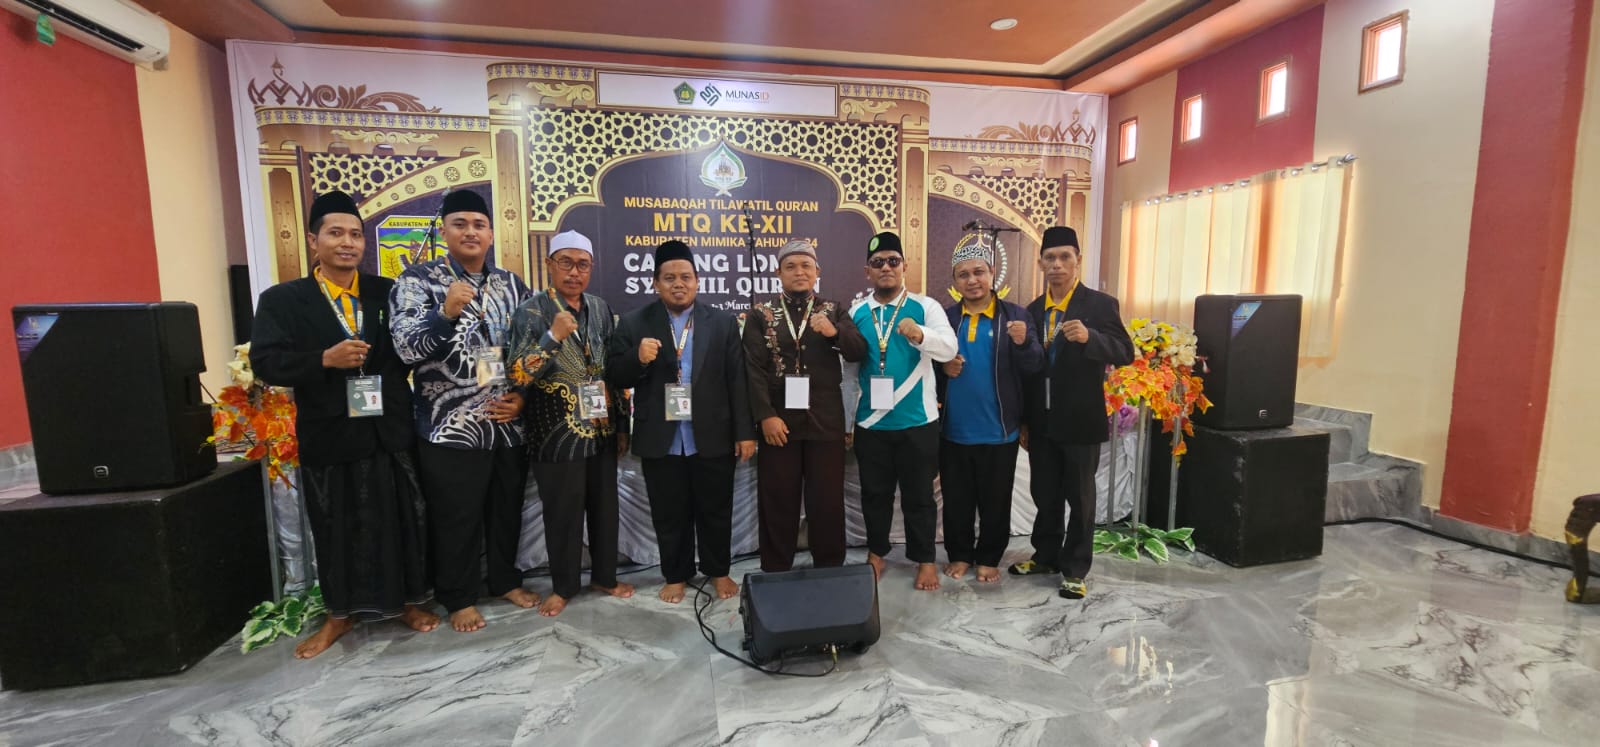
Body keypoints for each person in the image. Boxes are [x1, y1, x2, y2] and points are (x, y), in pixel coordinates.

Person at [250, 190, 437, 658]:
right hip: (331, 432)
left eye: (355, 234)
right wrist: (323, 359)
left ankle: (408, 602)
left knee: (402, 520)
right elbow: (266, 362)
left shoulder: (386, 292)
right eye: (336, 233)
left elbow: (408, 350)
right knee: (336, 526)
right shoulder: (284, 300)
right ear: (314, 241)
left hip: (388, 429)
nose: (347, 242)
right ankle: (339, 614)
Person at [389, 189, 538, 631]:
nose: (470, 232)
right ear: (444, 231)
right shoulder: (417, 281)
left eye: (479, 225)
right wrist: (445, 314)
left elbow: (531, 348)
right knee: (456, 516)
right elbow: (404, 349)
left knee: (505, 510)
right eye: (460, 224)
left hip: (507, 424)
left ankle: (504, 581)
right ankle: (458, 597)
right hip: (449, 427)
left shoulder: (512, 285)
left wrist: (523, 397)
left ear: (491, 234)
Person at [608, 240, 757, 603]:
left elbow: (737, 380)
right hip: (661, 436)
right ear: (655, 282)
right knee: (668, 512)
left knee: (715, 510)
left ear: (697, 280)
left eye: (686, 277)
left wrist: (744, 433)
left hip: (713, 433)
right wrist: (637, 357)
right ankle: (675, 575)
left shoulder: (721, 322)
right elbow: (615, 374)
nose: (679, 284)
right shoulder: (634, 322)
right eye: (670, 277)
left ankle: (718, 571)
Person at [505, 229, 633, 617]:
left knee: (604, 509)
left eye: (582, 265)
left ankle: (605, 577)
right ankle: (563, 586)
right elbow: (516, 375)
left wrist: (622, 425)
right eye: (566, 263)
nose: (574, 272)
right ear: (549, 265)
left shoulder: (600, 307)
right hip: (555, 433)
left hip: (601, 429)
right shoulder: (530, 312)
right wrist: (552, 337)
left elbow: (611, 370)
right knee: (563, 514)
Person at [1011, 226, 1135, 600]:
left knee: (1080, 499)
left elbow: (1125, 352)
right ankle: (1046, 556)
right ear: (1040, 263)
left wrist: (1091, 338)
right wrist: (1025, 421)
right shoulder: (1033, 310)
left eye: (1065, 257)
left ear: (1078, 260)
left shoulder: (1099, 305)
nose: (1057, 265)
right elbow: (1027, 372)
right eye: (1050, 258)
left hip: (1080, 419)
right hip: (1042, 422)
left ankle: (1076, 569)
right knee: (1044, 493)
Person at [742, 239, 867, 573]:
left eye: (805, 266)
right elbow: (752, 369)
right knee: (777, 499)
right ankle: (775, 569)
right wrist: (765, 415)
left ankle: (829, 568)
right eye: (791, 266)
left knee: (826, 501)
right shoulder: (760, 315)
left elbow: (858, 350)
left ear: (817, 272)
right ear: (778, 273)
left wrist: (834, 333)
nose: (799, 272)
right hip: (778, 424)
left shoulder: (834, 310)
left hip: (824, 421)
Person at [842, 231, 958, 590]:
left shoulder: (926, 307)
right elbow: (848, 374)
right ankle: (876, 553)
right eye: (878, 263)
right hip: (871, 423)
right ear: (867, 271)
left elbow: (949, 349)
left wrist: (921, 335)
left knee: (919, 496)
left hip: (917, 422)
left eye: (893, 261)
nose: (886, 267)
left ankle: (925, 559)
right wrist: (847, 421)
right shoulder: (857, 313)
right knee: (874, 495)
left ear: (904, 266)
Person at [936, 240, 1044, 583]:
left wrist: (1023, 343)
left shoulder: (1016, 316)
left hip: (1000, 429)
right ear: (954, 281)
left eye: (979, 272)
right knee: (956, 500)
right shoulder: (945, 318)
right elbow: (926, 365)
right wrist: (943, 368)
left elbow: (1035, 367)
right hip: (953, 429)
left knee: (995, 500)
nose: (972, 280)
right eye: (963, 275)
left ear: (992, 273)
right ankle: (959, 554)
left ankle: (988, 556)